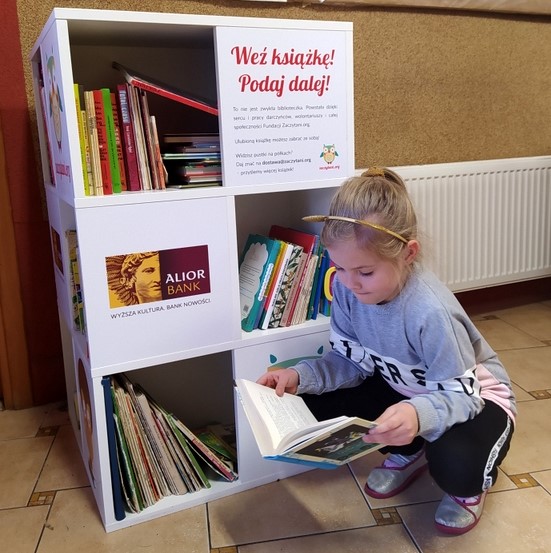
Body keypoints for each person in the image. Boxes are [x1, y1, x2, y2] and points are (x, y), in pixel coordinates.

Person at [257, 167, 516, 535]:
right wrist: (300, 376)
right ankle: (411, 449)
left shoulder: (430, 311)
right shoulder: (347, 289)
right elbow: (349, 361)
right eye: (339, 268)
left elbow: (462, 395)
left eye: (364, 271)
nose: (349, 283)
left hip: (473, 399)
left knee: (457, 467)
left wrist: (415, 413)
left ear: (408, 253)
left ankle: (465, 488)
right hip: (408, 389)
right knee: (309, 400)